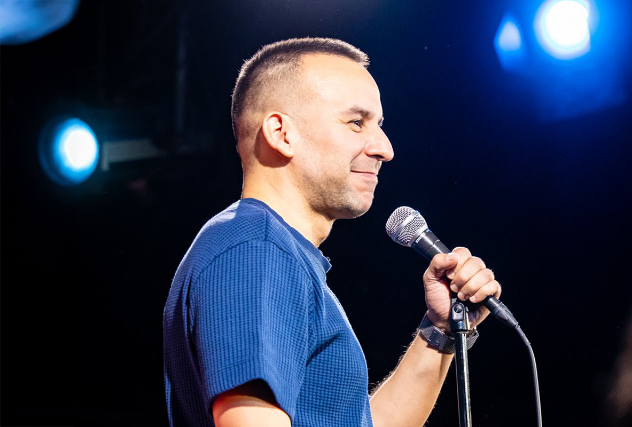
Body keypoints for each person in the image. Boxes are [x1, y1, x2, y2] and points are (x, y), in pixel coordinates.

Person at [163, 37, 502, 427]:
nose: (385, 148)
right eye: (356, 122)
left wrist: (441, 329)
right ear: (281, 133)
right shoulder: (255, 248)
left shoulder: (274, 252)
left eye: (379, 126)